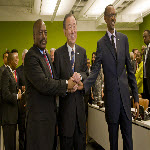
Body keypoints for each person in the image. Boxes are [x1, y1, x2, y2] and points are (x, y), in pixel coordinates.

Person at [83, 5, 139, 150]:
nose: (113, 17)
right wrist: (84, 86)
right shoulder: (101, 44)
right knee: (113, 143)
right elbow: (95, 70)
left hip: (126, 102)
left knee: (128, 141)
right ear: (105, 19)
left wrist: (136, 98)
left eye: (115, 14)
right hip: (112, 102)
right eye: (110, 15)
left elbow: (130, 71)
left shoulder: (124, 39)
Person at [24, 19, 76, 150]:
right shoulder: (31, 57)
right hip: (39, 124)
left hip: (50, 120)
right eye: (40, 33)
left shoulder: (46, 54)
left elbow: (54, 78)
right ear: (34, 36)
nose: (43, 37)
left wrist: (68, 88)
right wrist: (66, 84)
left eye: (45, 33)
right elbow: (44, 84)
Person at [54, 13, 87, 150]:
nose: (73, 30)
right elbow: (56, 81)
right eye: (69, 27)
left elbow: (86, 73)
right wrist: (68, 85)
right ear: (64, 31)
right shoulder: (58, 53)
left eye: (74, 26)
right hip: (66, 117)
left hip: (80, 117)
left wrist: (80, 78)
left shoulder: (82, 51)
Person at [1, 52, 22, 150]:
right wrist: (17, 96)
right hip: (8, 117)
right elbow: (5, 94)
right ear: (10, 61)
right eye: (16, 58)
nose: (18, 60)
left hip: (12, 117)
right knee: (10, 146)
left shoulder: (11, 72)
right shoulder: (5, 72)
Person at [16, 49, 28, 150]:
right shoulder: (18, 70)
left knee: (30, 131)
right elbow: (16, 86)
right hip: (22, 104)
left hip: (31, 105)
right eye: (24, 57)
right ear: (22, 58)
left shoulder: (32, 69)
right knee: (22, 131)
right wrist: (21, 87)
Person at [0, 50, 9, 147]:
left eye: (8, 56)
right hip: (4, 104)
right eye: (5, 57)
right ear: (3, 59)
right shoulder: (1, 70)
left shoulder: (12, 70)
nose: (7, 58)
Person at [143, 30, 150, 102]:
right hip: (145, 79)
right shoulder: (145, 50)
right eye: (143, 37)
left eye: (145, 37)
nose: (144, 39)